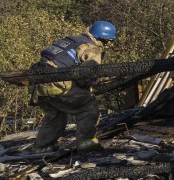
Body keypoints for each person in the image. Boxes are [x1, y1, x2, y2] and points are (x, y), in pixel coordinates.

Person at [29, 21, 117, 153]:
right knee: (88, 108)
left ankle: (41, 147)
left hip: (38, 85)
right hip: (58, 83)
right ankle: (86, 142)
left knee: (55, 115)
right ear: (103, 39)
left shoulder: (72, 40)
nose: (108, 45)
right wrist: (88, 86)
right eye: (108, 42)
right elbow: (85, 74)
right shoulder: (91, 48)